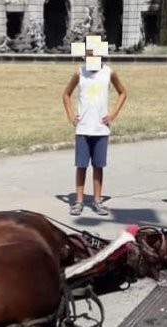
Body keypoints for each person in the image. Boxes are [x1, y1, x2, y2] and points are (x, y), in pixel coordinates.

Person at [62, 34, 127, 216]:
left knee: (98, 166)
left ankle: (97, 200)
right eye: (87, 52)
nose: (90, 56)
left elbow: (123, 92)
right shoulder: (79, 72)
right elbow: (66, 94)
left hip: (100, 129)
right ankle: (79, 201)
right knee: (81, 165)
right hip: (83, 128)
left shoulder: (108, 72)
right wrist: (71, 116)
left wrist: (112, 113)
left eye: (94, 52)